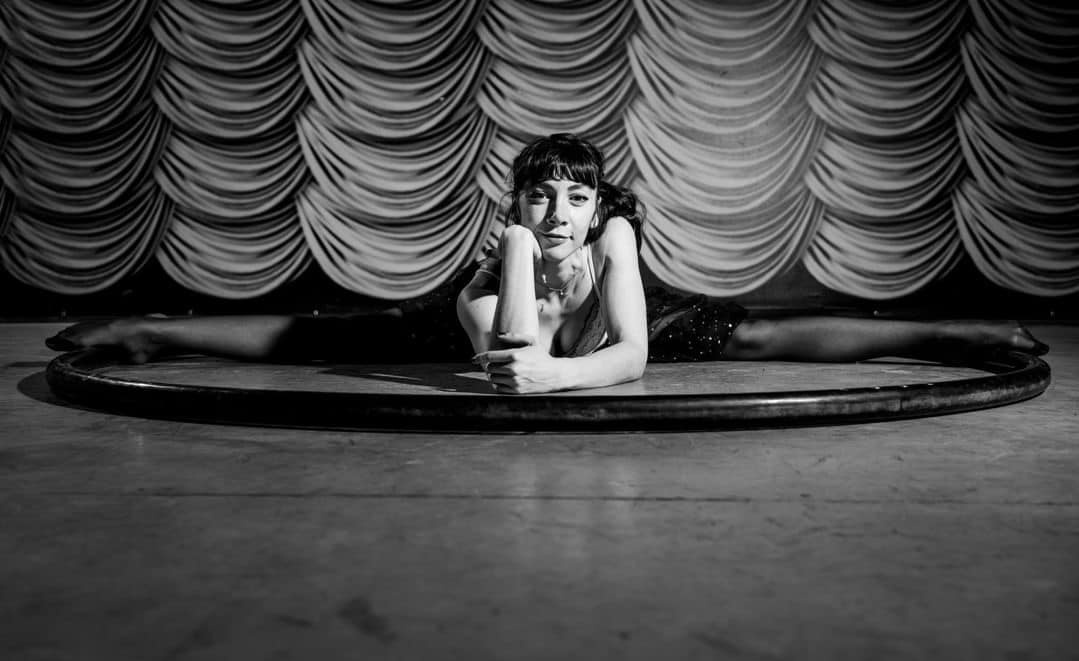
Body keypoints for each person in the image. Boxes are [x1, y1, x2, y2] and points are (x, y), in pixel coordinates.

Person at [46, 133, 1049, 394]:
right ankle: (147, 332)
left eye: (574, 196)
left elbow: (629, 361)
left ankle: (952, 334)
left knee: (755, 334)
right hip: (507, 310)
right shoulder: (497, 265)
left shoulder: (615, 238)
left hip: (614, 314)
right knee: (329, 339)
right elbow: (507, 358)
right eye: (537, 196)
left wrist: (565, 374)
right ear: (514, 205)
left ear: (597, 205)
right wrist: (519, 255)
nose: (556, 210)